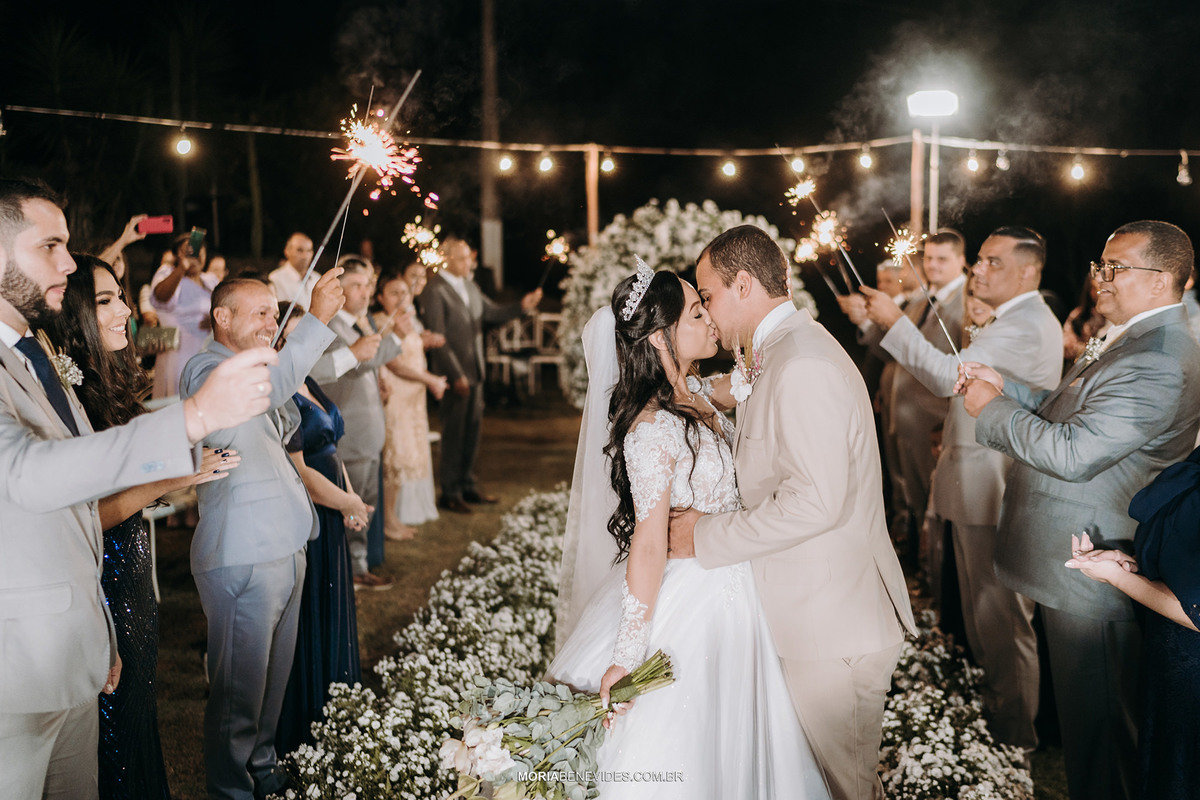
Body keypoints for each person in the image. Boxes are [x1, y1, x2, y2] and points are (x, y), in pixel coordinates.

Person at [0, 178, 276, 800]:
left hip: (75, 650)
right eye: (51, 246)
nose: (68, 263)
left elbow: (74, 522)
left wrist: (99, 629)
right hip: (13, 674)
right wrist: (192, 419)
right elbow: (30, 473)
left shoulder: (32, 357)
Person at [549, 260, 831, 800]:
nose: (709, 319)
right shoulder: (651, 428)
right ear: (660, 337)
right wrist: (626, 658)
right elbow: (650, 543)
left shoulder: (695, 393)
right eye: (697, 311)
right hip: (693, 599)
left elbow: (742, 384)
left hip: (738, 586)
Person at [668, 225, 917, 800]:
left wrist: (704, 536)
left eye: (707, 296)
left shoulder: (801, 363)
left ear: (745, 284)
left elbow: (816, 501)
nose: (705, 311)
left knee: (847, 789)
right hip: (809, 616)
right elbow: (750, 389)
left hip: (832, 631)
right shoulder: (778, 352)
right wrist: (699, 395)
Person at [958, 220, 1200, 800]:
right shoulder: (1135, 335)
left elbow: (1073, 452)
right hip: (1077, 558)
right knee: (1088, 729)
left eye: (1116, 268)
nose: (1102, 279)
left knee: (1103, 744)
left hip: (1098, 565)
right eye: (1101, 265)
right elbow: (1071, 409)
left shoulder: (1161, 355)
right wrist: (1006, 387)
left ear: (1163, 280)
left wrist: (989, 412)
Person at [41, 253, 242, 799]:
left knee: (135, 722)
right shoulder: (66, 395)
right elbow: (89, 515)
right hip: (102, 588)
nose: (126, 311)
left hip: (131, 579)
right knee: (113, 737)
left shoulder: (101, 386)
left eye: (122, 297)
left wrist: (179, 470)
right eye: (106, 300)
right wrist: (169, 478)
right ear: (73, 311)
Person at [857, 227, 1063, 755]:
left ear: (1028, 271)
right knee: (979, 610)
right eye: (981, 261)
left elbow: (950, 375)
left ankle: (1015, 735)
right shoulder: (1008, 319)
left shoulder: (1028, 322)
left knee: (1001, 615)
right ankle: (994, 715)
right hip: (973, 475)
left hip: (997, 481)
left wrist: (894, 323)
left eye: (993, 262)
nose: (979, 270)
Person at [179, 272, 345, 800]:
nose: (272, 324)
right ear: (222, 317)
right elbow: (259, 396)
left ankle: (266, 773)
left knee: (272, 683)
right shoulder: (204, 370)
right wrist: (316, 319)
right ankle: (231, 789)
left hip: (286, 543)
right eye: (261, 314)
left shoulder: (258, 367)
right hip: (242, 552)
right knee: (238, 694)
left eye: (276, 315)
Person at [274, 307, 370, 757]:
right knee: (314, 602)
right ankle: (310, 711)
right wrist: (345, 500)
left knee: (335, 600)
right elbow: (303, 472)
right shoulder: (280, 396)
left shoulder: (308, 382)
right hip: (311, 507)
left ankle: (339, 698)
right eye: (295, 338)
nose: (306, 346)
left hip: (335, 503)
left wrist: (352, 497)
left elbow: (332, 448)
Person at [841, 232, 966, 550]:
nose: (934, 266)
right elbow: (892, 348)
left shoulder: (965, 302)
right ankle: (916, 562)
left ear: (961, 260)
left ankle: (934, 574)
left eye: (943, 259)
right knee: (908, 493)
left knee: (933, 501)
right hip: (903, 413)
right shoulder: (922, 301)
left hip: (933, 416)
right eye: (930, 259)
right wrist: (869, 322)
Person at [419, 235, 541, 513]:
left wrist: (522, 306)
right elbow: (438, 337)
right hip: (454, 374)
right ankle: (449, 492)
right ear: (446, 259)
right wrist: (455, 374)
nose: (469, 262)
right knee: (453, 433)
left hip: (476, 371)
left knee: (472, 432)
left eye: (469, 257)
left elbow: (493, 313)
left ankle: (467, 485)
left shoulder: (470, 286)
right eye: (462, 258)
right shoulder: (435, 290)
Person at [309, 255, 404, 588]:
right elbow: (359, 362)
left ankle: (359, 566)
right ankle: (353, 571)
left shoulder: (355, 323)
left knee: (364, 502)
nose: (365, 292)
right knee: (353, 505)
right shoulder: (332, 327)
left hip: (369, 430)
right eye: (356, 286)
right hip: (351, 431)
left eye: (367, 285)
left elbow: (366, 366)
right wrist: (395, 339)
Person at [374, 266, 446, 539]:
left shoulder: (407, 320)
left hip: (412, 400)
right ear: (380, 297)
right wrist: (430, 379)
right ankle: (389, 521)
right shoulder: (382, 322)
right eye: (394, 293)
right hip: (395, 396)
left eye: (404, 292)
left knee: (405, 458)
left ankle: (394, 517)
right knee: (395, 459)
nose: (401, 298)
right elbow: (393, 363)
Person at [149, 232, 219, 398]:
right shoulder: (168, 273)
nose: (195, 255)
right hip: (179, 350)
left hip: (207, 347)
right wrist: (182, 267)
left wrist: (214, 320)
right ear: (177, 255)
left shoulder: (210, 280)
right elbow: (160, 297)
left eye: (199, 250)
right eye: (188, 251)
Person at [268, 233, 318, 308]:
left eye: (309, 251)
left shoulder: (317, 278)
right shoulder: (275, 279)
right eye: (299, 250)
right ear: (287, 251)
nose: (305, 256)